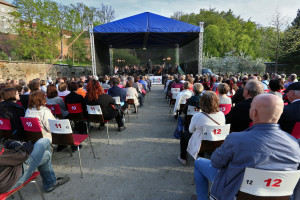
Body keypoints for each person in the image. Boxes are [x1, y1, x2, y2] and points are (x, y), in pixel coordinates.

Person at [192, 94, 300, 200]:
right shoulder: (294, 144)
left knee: (199, 162)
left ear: (254, 112)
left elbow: (216, 163)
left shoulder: (236, 139)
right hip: (274, 194)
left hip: (232, 192)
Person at [0, 138, 70, 193]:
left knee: (46, 155)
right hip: (12, 180)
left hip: (6, 178)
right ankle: (50, 183)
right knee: (45, 141)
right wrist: (27, 144)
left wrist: (10, 144)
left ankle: (50, 182)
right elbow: (23, 154)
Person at [178, 91, 225, 166]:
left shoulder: (197, 116)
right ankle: (201, 154)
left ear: (202, 102)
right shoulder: (221, 114)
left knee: (184, 135)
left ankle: (183, 158)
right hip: (216, 142)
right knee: (202, 134)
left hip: (201, 144)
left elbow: (190, 130)